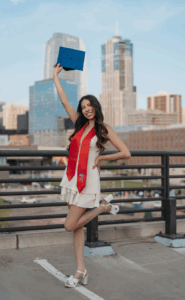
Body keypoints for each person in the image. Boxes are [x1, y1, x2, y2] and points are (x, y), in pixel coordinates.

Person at [53, 63, 131, 288]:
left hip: (87, 182)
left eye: (89, 105)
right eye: (83, 106)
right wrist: (55, 76)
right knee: (76, 228)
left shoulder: (103, 129)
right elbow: (64, 100)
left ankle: (103, 207)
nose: (86, 109)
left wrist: (101, 159)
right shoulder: (79, 125)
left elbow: (125, 152)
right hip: (71, 178)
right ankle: (80, 270)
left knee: (69, 225)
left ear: (96, 107)